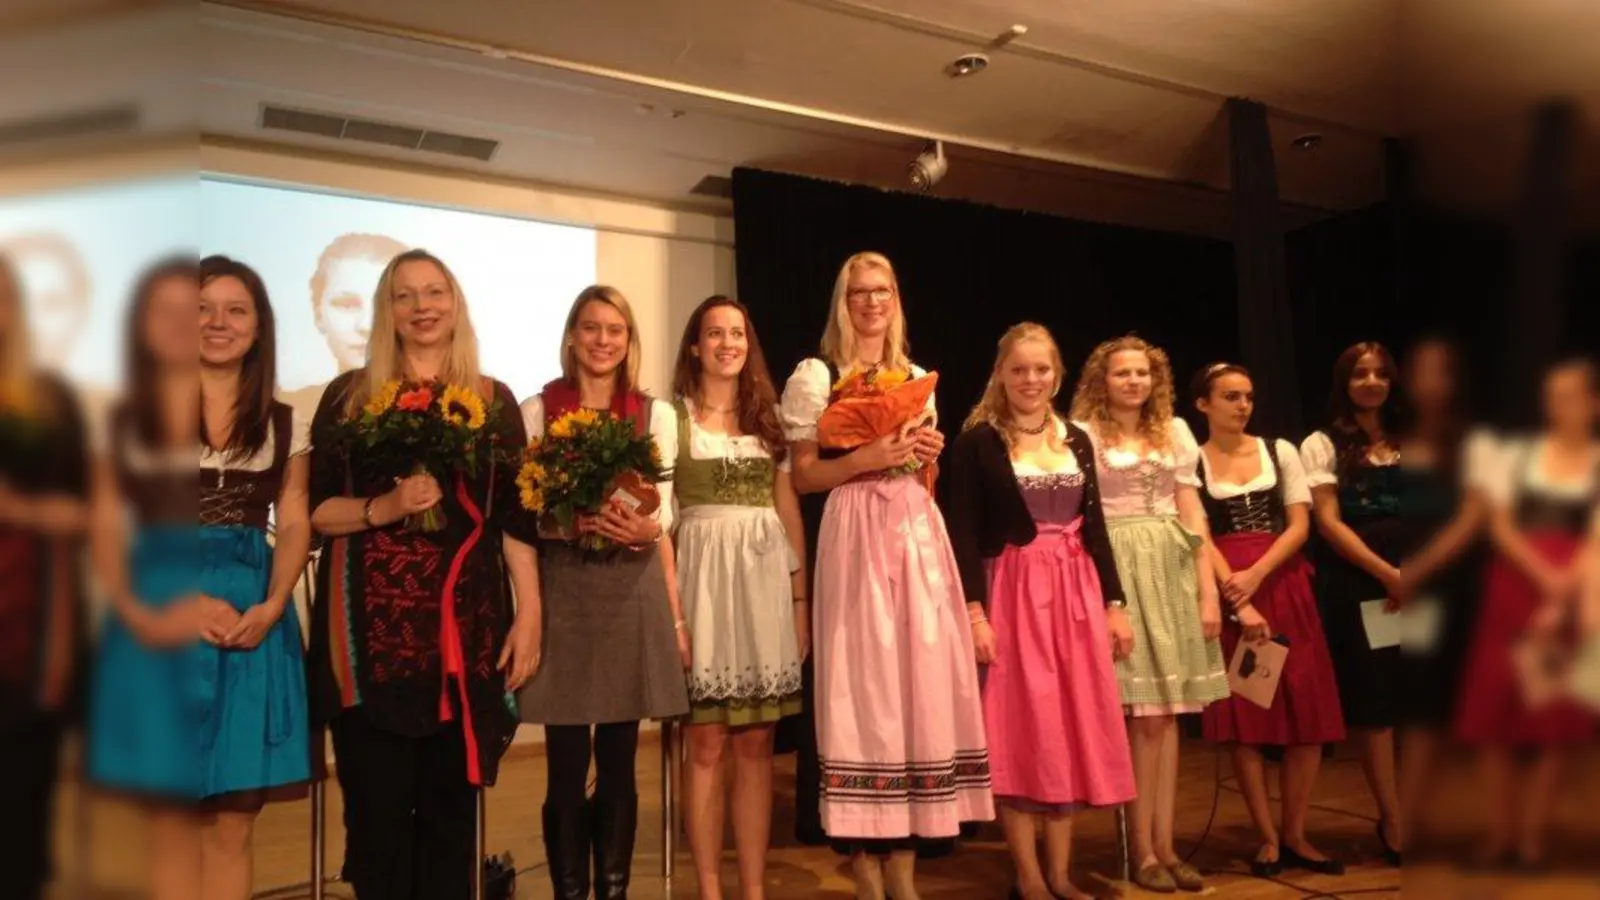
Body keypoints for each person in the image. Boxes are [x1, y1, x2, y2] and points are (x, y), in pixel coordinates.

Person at [306, 249, 542, 900]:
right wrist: (384, 508)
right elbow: (315, 513)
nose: (422, 307)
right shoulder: (348, 398)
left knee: (450, 830)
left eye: (434, 292)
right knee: (378, 832)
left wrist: (532, 617)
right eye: (404, 295)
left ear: (455, 303)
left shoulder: (492, 402)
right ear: (389, 312)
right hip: (369, 649)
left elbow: (515, 524)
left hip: (464, 641)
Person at [779, 251, 992, 900]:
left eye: (883, 290)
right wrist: (869, 456)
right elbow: (805, 475)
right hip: (853, 526)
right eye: (859, 292)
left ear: (896, 299)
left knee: (915, 684)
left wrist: (922, 456)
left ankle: (904, 867)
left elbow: (922, 472)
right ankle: (864, 863)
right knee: (862, 687)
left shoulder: (917, 375)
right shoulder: (817, 375)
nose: (872, 301)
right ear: (841, 302)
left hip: (914, 528)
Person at [945, 323, 1132, 900]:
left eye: (1042, 369)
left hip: (1074, 590)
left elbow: (1096, 526)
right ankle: (1028, 875)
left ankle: (1060, 873)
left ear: (1058, 373)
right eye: (1019, 369)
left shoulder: (1075, 437)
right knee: (1023, 727)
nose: (1031, 380)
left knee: (1069, 726)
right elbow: (963, 532)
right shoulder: (978, 441)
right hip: (1015, 590)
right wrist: (975, 613)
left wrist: (1114, 602)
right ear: (1000, 372)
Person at [517, 285, 691, 900]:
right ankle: (570, 892)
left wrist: (646, 526)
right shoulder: (537, 409)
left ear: (628, 341)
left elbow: (664, 511)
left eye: (614, 330)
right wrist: (566, 522)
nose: (602, 340)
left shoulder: (655, 414)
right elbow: (523, 511)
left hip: (631, 588)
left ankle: (612, 890)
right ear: (571, 336)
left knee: (619, 756)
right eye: (591, 328)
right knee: (565, 761)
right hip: (562, 588)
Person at [1069, 334, 1226, 894]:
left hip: (1172, 567)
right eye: (1122, 374)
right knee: (1141, 716)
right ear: (1101, 380)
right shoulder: (1083, 434)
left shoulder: (1176, 432)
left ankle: (1167, 843)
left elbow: (1192, 514)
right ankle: (1140, 849)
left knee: (1169, 714)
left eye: (1142, 373)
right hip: (1118, 565)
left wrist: (1208, 591)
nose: (1134, 382)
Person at [670, 295, 808, 900]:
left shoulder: (770, 418)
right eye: (714, 333)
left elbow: (787, 507)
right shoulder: (671, 418)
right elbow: (662, 522)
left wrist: (800, 597)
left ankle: (752, 889)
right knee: (705, 741)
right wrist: (672, 614)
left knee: (757, 743)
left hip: (761, 586)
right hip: (701, 582)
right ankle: (708, 889)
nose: (728, 343)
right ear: (695, 346)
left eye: (738, 333)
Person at [1190, 362, 1346, 877]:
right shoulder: (1192, 462)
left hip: (1281, 580)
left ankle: (1296, 831)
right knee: (1248, 722)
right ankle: (1266, 837)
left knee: (1308, 715)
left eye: (1248, 397)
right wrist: (1238, 594)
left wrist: (1257, 573)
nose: (1242, 406)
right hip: (1231, 589)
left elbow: (1300, 524)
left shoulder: (1280, 451)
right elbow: (1198, 536)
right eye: (1230, 397)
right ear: (1203, 404)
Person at [84, 258, 208, 900]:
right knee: (166, 817)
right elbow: (106, 526)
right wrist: (136, 613)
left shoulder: (246, 410)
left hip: (229, 613)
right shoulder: (122, 417)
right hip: (146, 622)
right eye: (162, 310)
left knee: (224, 818)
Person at [1454, 357, 1599, 869]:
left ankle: (1532, 837)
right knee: (1494, 716)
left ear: (1593, 402)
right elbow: (1500, 526)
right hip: (1513, 590)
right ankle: (1502, 832)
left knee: (1553, 722)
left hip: (1575, 595)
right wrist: (1543, 578)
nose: (1560, 405)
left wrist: (1563, 596)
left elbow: (1596, 539)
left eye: (1571, 395)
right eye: (1553, 395)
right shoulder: (1519, 454)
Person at [0, 250, 91, 900]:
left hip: (26, 645)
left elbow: (88, 512)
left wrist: (19, 507)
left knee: (19, 823)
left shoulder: (50, 398)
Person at [1302, 341, 1405, 866]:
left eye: (1380, 374)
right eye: (1360, 374)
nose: (1371, 382)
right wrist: (1388, 574)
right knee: (1378, 705)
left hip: (1422, 578)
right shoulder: (1321, 444)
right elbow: (1329, 522)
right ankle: (1393, 818)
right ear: (1344, 381)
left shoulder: (1414, 438)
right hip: (1365, 582)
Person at [1393, 338, 1492, 853]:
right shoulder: (1395, 437)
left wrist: (1420, 569)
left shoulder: (1472, 440)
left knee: (1461, 708)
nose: (1430, 382)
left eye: (1441, 372)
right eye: (1421, 371)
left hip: (1456, 587)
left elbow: (1475, 516)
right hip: (1401, 591)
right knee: (1417, 710)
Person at [283, 233, 410, 422]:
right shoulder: (288, 412)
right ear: (318, 314)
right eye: (347, 305)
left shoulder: (446, 403)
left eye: (383, 304)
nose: (366, 325)